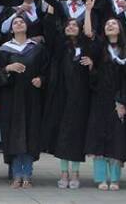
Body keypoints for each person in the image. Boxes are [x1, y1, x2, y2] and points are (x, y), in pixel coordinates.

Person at [40, 10, 94, 190]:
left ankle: (75, 172)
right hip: (62, 96)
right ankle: (64, 172)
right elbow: (49, 28)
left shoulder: (86, 47)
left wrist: (88, 11)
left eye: (75, 25)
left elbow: (89, 35)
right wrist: (50, 8)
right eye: (68, 25)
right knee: (62, 135)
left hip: (80, 97)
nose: (71, 27)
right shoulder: (60, 46)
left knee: (76, 135)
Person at [0, 15, 47, 189]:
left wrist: (41, 79)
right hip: (11, 98)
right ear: (11, 29)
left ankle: (28, 175)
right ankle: (16, 174)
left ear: (27, 26)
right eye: (15, 23)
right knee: (14, 135)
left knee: (30, 134)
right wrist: (8, 68)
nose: (18, 24)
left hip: (31, 97)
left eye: (21, 22)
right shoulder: (4, 49)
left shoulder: (37, 48)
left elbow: (46, 70)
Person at [85, 16, 126, 192]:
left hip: (118, 100)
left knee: (116, 139)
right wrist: (88, 11)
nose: (110, 25)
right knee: (99, 138)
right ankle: (101, 178)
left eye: (114, 23)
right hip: (100, 99)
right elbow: (88, 35)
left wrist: (123, 102)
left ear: (120, 29)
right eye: (107, 24)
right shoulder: (100, 48)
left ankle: (115, 178)